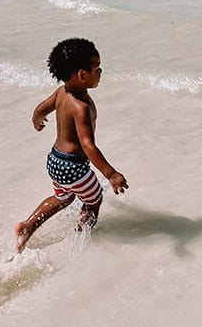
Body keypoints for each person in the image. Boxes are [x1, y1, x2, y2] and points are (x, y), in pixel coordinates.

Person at [14, 38, 128, 253]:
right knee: (94, 200)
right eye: (97, 68)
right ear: (83, 74)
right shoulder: (81, 107)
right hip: (73, 166)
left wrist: (37, 120)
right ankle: (80, 239)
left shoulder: (61, 93)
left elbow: (41, 109)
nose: (100, 72)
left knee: (63, 197)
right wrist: (110, 174)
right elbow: (88, 146)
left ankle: (28, 227)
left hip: (55, 160)